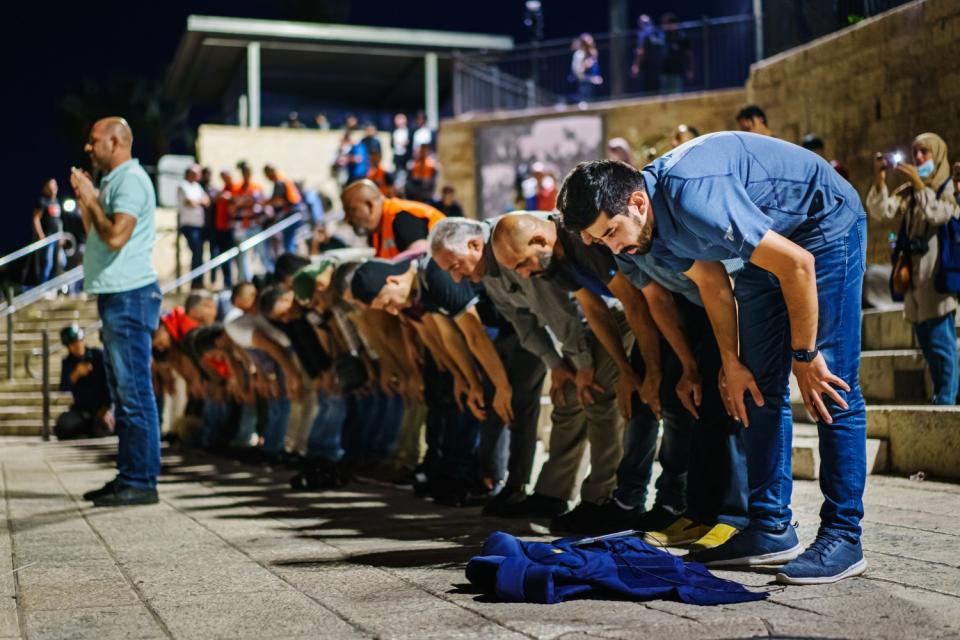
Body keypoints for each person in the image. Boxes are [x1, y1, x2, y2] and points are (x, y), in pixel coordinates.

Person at [558, 131, 868, 585]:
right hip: (766, 249)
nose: (612, 247)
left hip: (822, 226)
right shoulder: (647, 235)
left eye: (609, 232)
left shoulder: (691, 195)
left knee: (830, 383)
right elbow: (712, 282)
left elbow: (798, 264)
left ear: (638, 203)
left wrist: (805, 353)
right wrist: (730, 361)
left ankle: (844, 534)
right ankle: (770, 526)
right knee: (755, 387)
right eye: (597, 242)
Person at [430, 216, 624, 521]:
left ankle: (604, 498)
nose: (457, 279)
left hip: (603, 322)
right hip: (575, 334)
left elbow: (561, 313)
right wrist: (556, 365)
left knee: (595, 398)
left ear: (474, 245)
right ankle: (552, 494)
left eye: (456, 266)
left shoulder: (511, 247)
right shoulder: (488, 269)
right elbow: (522, 321)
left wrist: (582, 366)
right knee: (566, 403)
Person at [70, 117, 162, 507]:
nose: (88, 148)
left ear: (115, 141)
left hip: (130, 294)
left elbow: (118, 237)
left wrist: (91, 198)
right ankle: (129, 474)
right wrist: (86, 200)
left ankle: (141, 480)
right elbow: (97, 236)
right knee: (122, 391)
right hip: (116, 294)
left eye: (94, 142)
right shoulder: (113, 181)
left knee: (134, 391)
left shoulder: (130, 180)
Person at [866, 133, 959, 405]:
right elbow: (883, 210)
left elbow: (939, 215)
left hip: (938, 275)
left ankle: (947, 397)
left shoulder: (949, 188)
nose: (919, 158)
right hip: (915, 277)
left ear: (938, 154)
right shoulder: (912, 190)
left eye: (925, 152)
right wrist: (880, 179)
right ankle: (941, 394)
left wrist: (921, 186)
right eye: (915, 152)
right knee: (926, 342)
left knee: (942, 341)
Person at [341, 179, 445, 259]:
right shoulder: (378, 231)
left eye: (351, 210)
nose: (347, 219)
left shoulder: (401, 218)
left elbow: (420, 256)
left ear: (370, 206)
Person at [56, 325, 112, 440]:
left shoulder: (98, 355)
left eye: (79, 341)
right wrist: (75, 374)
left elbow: (110, 385)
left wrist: (106, 409)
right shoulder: (68, 362)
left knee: (103, 428)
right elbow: (63, 387)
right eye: (73, 344)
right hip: (82, 411)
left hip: (102, 408)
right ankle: (85, 429)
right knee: (62, 426)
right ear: (68, 347)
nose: (77, 345)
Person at [177, 165, 210, 289]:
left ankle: (198, 281)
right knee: (196, 251)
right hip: (189, 226)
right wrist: (199, 202)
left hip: (199, 226)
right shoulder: (183, 185)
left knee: (199, 253)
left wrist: (198, 202)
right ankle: (195, 282)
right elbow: (189, 202)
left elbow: (206, 201)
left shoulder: (197, 186)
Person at [263, 164, 306, 255]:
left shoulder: (279, 183)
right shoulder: (284, 180)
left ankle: (292, 261)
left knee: (288, 241)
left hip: (292, 214)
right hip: (297, 212)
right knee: (292, 240)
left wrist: (265, 203)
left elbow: (279, 201)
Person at [32, 178, 63, 285]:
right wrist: (41, 235)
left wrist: (61, 235)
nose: (53, 189)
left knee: (62, 261)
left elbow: (58, 221)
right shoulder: (42, 201)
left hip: (57, 238)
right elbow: (36, 218)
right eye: (51, 186)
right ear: (46, 188)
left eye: (55, 186)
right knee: (47, 263)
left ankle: (54, 286)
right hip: (48, 238)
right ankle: (42, 287)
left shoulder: (56, 202)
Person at [631, 14, 664, 94]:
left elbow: (641, 51)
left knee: (649, 92)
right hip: (660, 65)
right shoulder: (659, 32)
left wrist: (636, 65)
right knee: (658, 91)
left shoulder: (643, 33)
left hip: (647, 67)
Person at [659, 14, 693, 93]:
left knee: (675, 97)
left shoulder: (682, 37)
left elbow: (690, 55)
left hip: (676, 73)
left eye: (665, 23)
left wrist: (690, 69)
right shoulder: (662, 36)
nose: (664, 26)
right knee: (663, 98)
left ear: (672, 24)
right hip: (664, 73)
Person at [571, 33, 602, 101]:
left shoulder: (592, 53)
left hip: (594, 82)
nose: (591, 44)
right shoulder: (579, 55)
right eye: (588, 43)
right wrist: (585, 65)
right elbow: (578, 72)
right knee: (585, 101)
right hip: (585, 83)